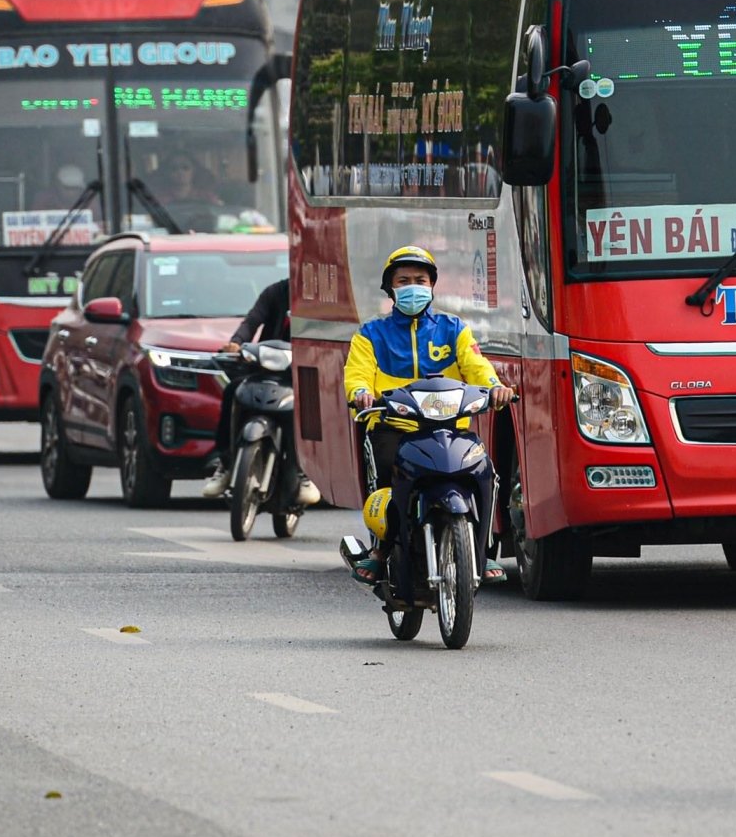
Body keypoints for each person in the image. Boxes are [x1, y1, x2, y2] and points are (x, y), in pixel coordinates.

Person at [344, 245, 514, 584]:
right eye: (403, 280)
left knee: (485, 473)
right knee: (389, 484)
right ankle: (381, 549)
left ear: (432, 286)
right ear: (390, 288)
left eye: (420, 280)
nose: (412, 286)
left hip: (450, 428)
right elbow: (358, 374)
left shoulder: (454, 329)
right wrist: (360, 394)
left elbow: (477, 366)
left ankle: (482, 551)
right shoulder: (370, 334)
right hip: (394, 425)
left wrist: (496, 387)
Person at [200, 277, 319, 505]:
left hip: (301, 372)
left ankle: (305, 472)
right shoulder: (275, 292)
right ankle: (225, 464)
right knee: (233, 390)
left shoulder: (319, 295)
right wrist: (236, 342)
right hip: (264, 367)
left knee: (311, 401)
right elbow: (251, 322)